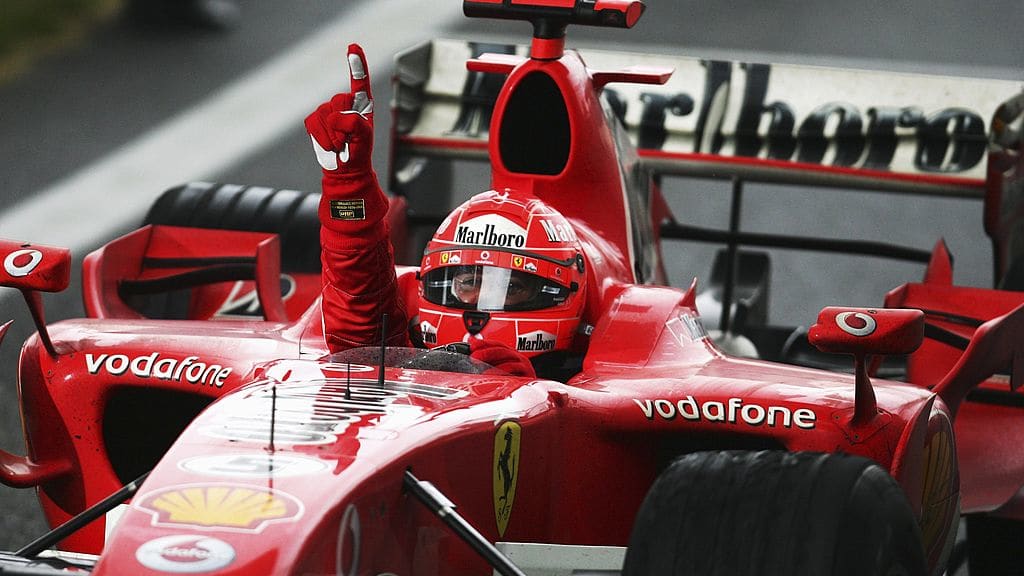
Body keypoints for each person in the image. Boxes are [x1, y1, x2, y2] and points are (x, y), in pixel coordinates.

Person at [305, 44, 589, 380]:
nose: (481, 304)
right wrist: (348, 187)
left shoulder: (604, 369)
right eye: (468, 281)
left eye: (510, 288)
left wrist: (524, 392)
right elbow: (359, 339)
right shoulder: (409, 332)